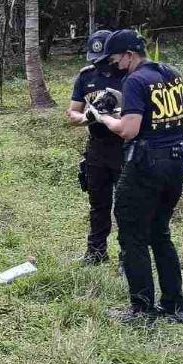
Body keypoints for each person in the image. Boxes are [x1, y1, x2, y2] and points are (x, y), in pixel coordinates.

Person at [93, 30, 183, 324]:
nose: (114, 66)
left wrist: (104, 118)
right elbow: (161, 118)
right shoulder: (171, 73)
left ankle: (142, 309)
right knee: (160, 234)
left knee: (133, 237)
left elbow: (129, 130)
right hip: (175, 162)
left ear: (129, 55)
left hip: (145, 167)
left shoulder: (134, 80)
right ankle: (174, 307)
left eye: (115, 60)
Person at [66, 30, 123, 265]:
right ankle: (96, 253)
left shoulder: (129, 75)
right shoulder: (86, 77)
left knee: (126, 206)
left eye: (104, 59)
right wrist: (88, 117)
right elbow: (72, 112)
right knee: (98, 204)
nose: (100, 64)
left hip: (124, 147)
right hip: (97, 147)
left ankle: (127, 257)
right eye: (95, 60)